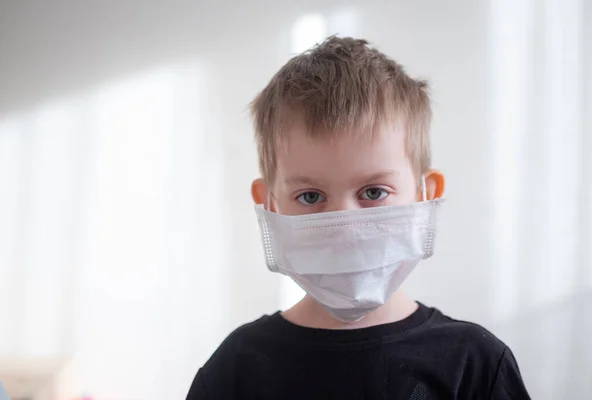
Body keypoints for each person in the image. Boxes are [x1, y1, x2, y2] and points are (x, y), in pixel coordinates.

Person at [186, 36, 530, 399]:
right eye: (310, 196)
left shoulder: (475, 365)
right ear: (269, 204)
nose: (344, 227)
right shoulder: (236, 370)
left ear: (425, 194)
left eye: (373, 192)